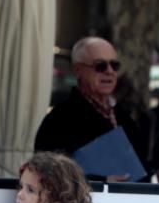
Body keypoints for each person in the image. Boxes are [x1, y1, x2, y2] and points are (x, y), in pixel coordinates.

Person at [35, 36, 150, 180]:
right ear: (78, 70)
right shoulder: (60, 119)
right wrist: (101, 182)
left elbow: (144, 167)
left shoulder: (124, 116)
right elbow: (47, 173)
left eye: (114, 65)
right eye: (100, 66)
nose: (109, 71)